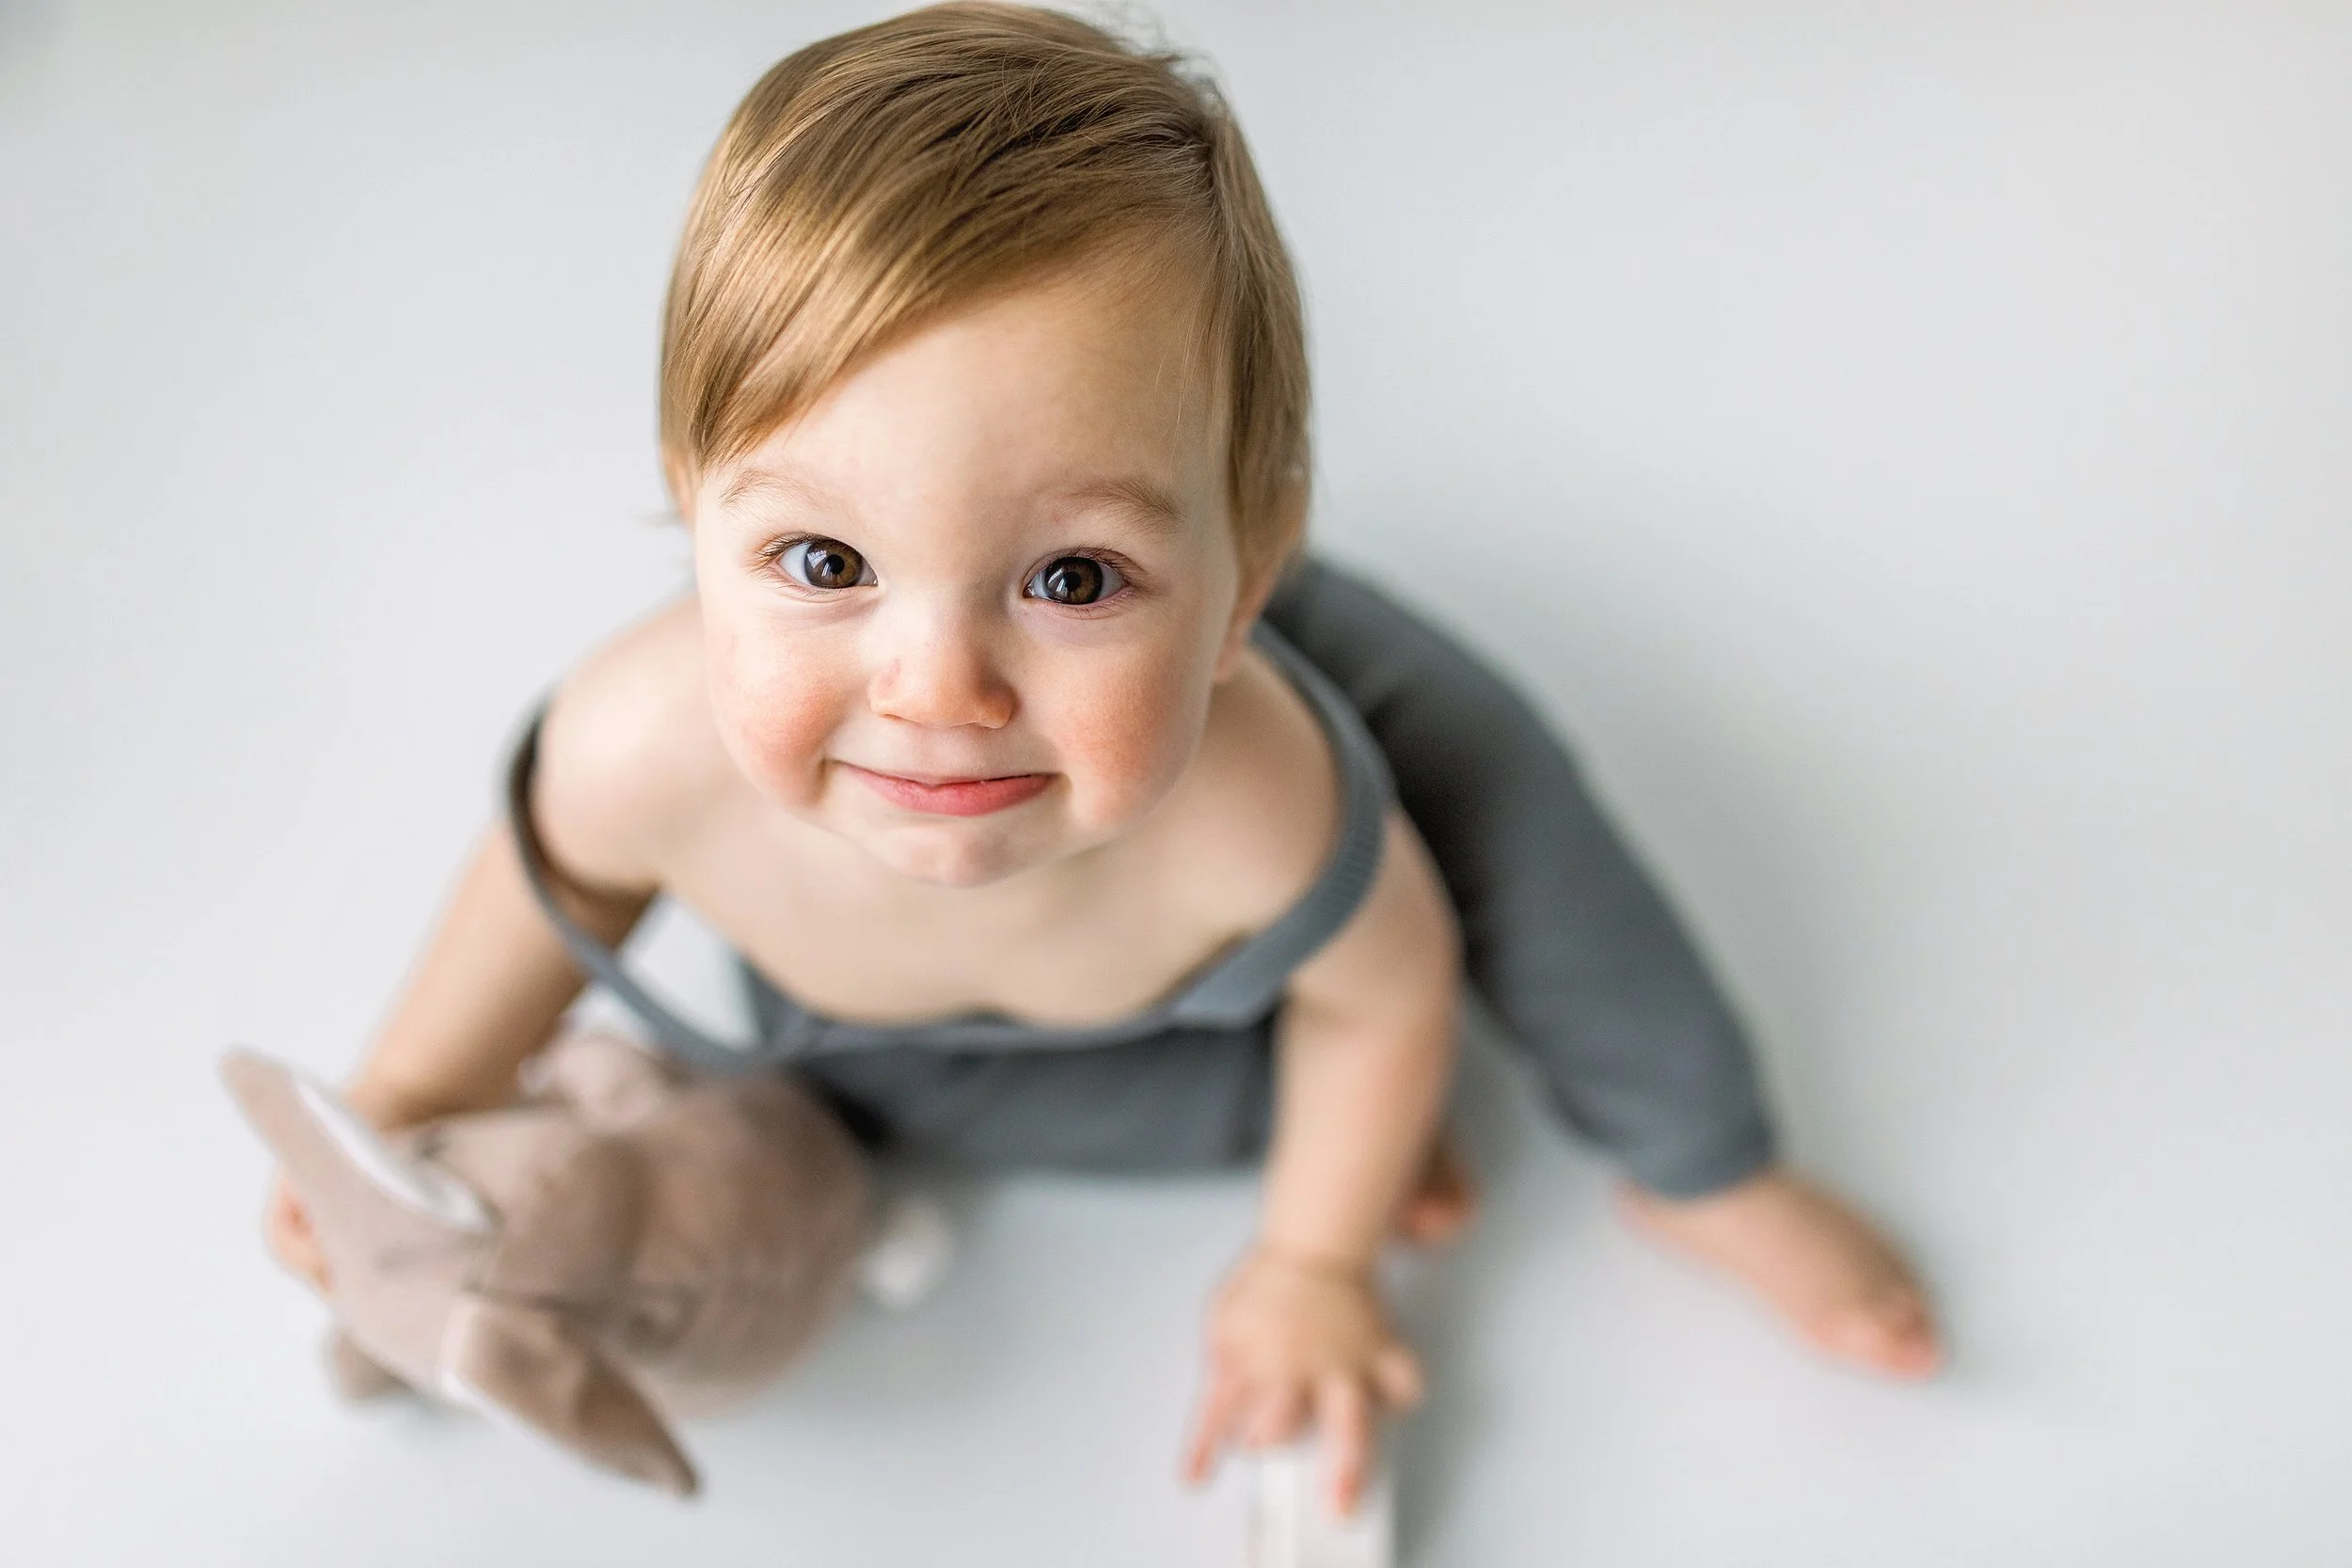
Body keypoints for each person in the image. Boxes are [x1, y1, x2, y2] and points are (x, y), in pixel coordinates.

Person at [261, 1, 1939, 1516]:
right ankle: (1326, 1116)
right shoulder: (638, 749)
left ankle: (1705, 1161)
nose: (936, 689)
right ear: (695, 511)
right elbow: (531, 901)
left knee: (1512, 844)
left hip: (1271, 833)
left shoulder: (1258, 801)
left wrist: (1310, 1259)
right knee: (1023, 1109)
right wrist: (407, 1105)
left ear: (1239, 584)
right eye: (825, 564)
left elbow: (1382, 990)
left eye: (1072, 579)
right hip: (941, 1020)